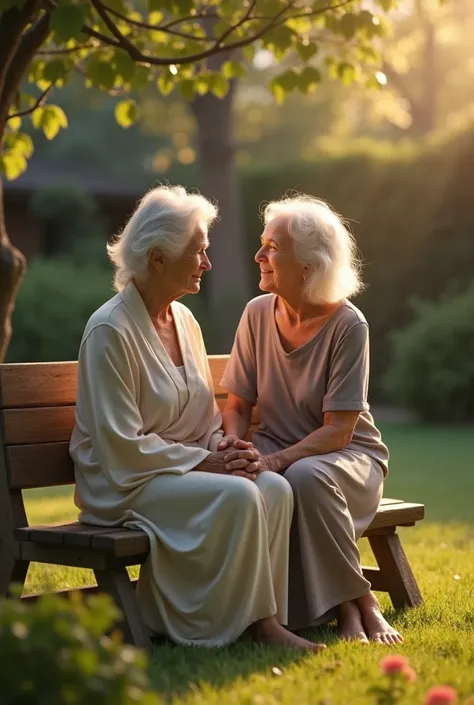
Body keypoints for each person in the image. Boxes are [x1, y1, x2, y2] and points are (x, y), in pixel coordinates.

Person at [69, 185, 325, 651]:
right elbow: (120, 447)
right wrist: (210, 465)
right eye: (198, 252)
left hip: (180, 471)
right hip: (124, 482)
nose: (207, 263)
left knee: (274, 487)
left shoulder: (185, 320)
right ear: (158, 258)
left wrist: (227, 449)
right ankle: (259, 629)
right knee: (239, 497)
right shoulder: (108, 331)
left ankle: (252, 617)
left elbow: (204, 419)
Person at [219, 194, 402, 645]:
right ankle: (344, 606)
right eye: (262, 244)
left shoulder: (348, 325)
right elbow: (237, 404)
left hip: (348, 458)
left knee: (305, 476)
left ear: (308, 265)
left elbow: (339, 430)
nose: (259, 255)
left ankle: (354, 605)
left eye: (272, 247)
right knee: (272, 479)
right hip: (281, 454)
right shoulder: (256, 314)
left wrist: (276, 460)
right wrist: (233, 446)